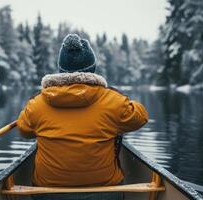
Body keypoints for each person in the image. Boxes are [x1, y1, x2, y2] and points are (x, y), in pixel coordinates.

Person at [17, 34, 148, 200]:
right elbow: (141, 117)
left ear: (60, 69)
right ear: (92, 68)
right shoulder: (112, 101)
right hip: (104, 194)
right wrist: (117, 95)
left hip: (48, 194)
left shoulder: (37, 104)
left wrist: (35, 104)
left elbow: (24, 130)